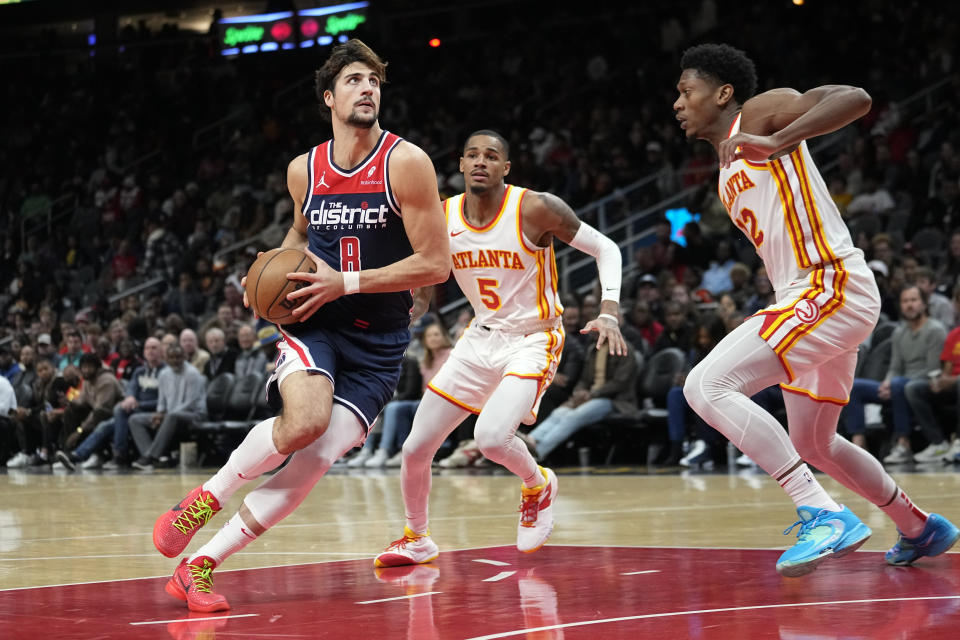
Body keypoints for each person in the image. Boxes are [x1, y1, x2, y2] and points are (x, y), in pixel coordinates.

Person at [150, 39, 450, 612]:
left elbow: (435, 264)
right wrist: (266, 275)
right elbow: (298, 236)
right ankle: (203, 501)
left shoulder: (405, 162)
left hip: (379, 341)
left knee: (315, 459)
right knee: (304, 421)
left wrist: (348, 281)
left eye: (375, 82)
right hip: (317, 319)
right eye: (356, 80)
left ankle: (199, 565)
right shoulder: (303, 170)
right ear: (329, 97)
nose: (368, 89)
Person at [673, 43, 958, 577]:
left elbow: (856, 98)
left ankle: (822, 513)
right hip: (812, 299)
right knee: (813, 440)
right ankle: (920, 527)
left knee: (704, 385)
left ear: (724, 93)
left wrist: (780, 139)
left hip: (831, 286)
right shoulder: (723, 166)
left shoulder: (757, 114)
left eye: (687, 91)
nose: (678, 103)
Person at [374, 129, 626, 568]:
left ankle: (537, 482)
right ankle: (416, 538)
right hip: (480, 337)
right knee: (416, 447)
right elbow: (427, 281)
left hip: (534, 336)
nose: (480, 162)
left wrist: (609, 309)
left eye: (491, 156)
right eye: (471, 154)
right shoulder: (442, 214)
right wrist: (408, 308)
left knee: (490, 438)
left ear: (505, 168)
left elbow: (606, 248)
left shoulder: (535, 207)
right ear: (459, 164)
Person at [844, 285, 945, 460]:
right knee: (854, 387)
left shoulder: (935, 330)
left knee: (900, 384)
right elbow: (895, 366)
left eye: (913, 300)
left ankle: (903, 443)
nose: (909, 305)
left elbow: (932, 370)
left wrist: (895, 382)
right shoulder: (899, 332)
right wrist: (887, 383)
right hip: (898, 383)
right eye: (905, 301)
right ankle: (858, 443)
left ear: (924, 303)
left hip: (923, 385)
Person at [128, 343, 206, 470]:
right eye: (172, 357)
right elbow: (162, 400)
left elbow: (191, 403)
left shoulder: (192, 373)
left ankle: (150, 457)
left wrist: (165, 415)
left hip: (195, 414)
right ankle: (153, 458)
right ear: (166, 358)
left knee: (172, 415)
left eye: (178, 357)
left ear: (184, 357)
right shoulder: (164, 374)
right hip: (170, 415)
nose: (175, 360)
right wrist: (159, 413)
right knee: (135, 419)